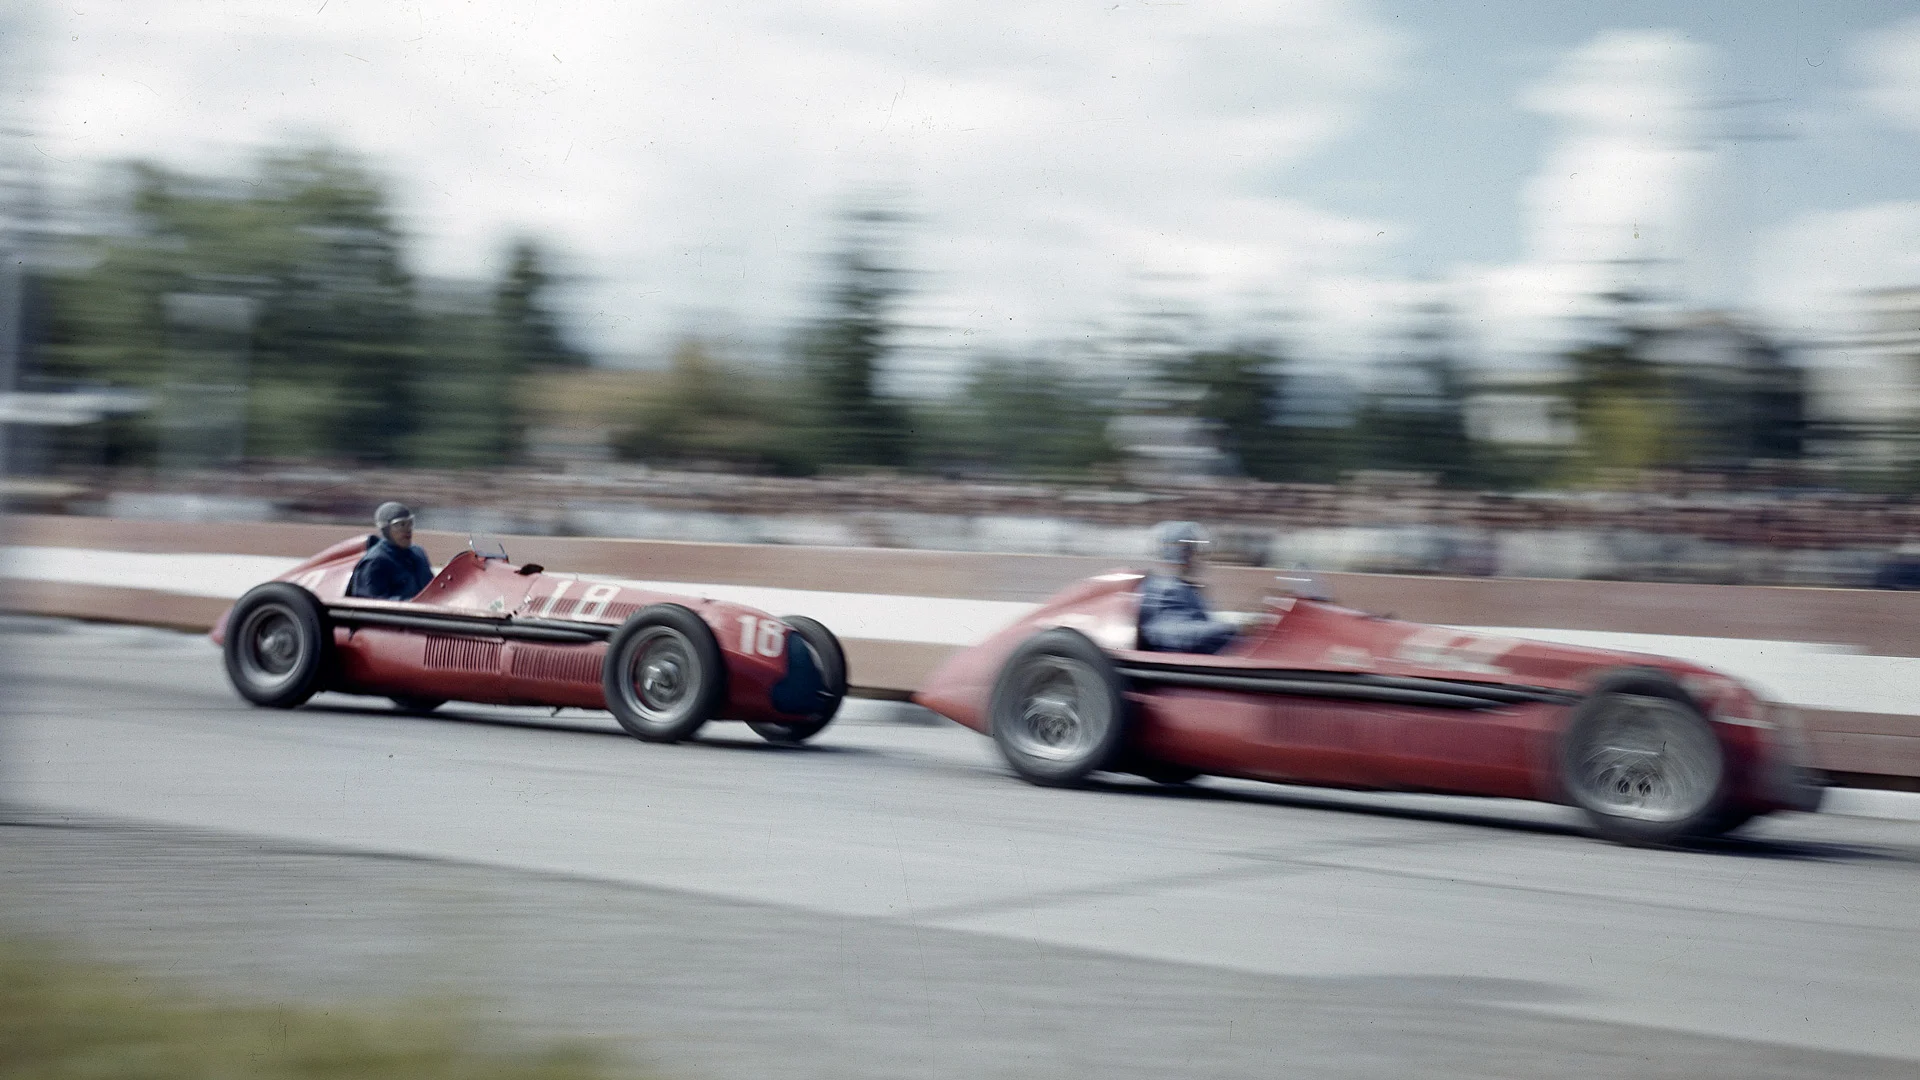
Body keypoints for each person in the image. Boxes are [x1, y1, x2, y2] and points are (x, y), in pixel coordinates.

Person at [1138, 520, 1237, 654]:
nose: (1200, 559)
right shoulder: (1165, 589)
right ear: (1181, 553)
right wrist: (1227, 630)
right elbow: (1166, 632)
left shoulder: (1183, 588)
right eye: (1196, 552)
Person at [347, 502, 434, 601]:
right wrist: (410, 603)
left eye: (410, 523)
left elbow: (435, 590)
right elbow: (368, 604)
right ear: (386, 529)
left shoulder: (419, 554)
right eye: (400, 525)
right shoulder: (375, 562)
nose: (407, 529)